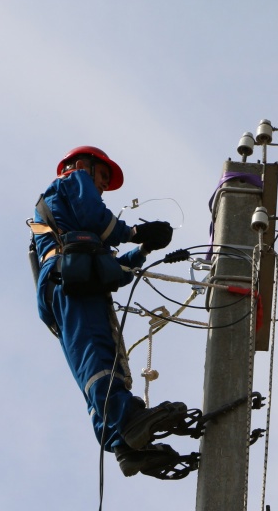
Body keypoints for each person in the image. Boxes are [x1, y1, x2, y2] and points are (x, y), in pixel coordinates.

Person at [30, 146, 188, 477]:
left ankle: (124, 444)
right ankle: (126, 419)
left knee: (95, 357)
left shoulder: (70, 218)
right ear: (81, 165)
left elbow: (113, 269)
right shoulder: (73, 180)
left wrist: (143, 248)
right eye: (101, 176)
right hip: (69, 280)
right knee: (96, 352)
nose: (101, 185)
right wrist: (134, 232)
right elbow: (93, 216)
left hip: (71, 283)